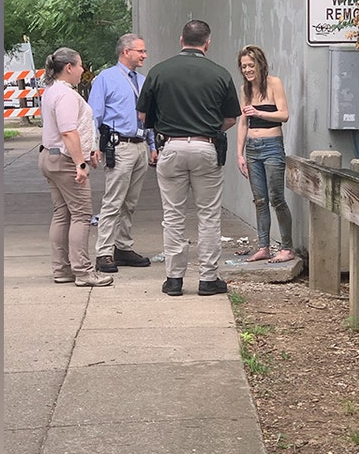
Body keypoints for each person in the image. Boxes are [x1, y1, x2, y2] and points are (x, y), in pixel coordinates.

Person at [136, 19, 241, 297]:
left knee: (173, 215)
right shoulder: (220, 74)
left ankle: (174, 279)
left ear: (181, 40)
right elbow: (231, 117)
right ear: (207, 43)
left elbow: (143, 116)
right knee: (208, 214)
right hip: (206, 147)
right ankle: (208, 279)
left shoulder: (159, 71)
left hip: (171, 147)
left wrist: (166, 128)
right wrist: (209, 130)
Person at [37, 47, 113, 287]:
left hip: (50, 157)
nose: (83, 71)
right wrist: (80, 162)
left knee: (62, 213)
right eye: (80, 65)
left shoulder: (51, 91)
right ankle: (83, 271)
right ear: (68, 67)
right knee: (81, 215)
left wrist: (88, 150)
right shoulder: (67, 95)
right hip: (65, 160)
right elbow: (68, 131)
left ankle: (62, 269)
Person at [87, 33, 158, 273]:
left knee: (130, 202)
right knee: (113, 200)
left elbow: (147, 117)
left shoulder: (142, 80)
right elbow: (94, 115)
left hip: (138, 144)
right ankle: (104, 251)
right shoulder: (106, 79)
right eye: (140, 51)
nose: (144, 55)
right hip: (119, 146)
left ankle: (123, 247)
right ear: (125, 52)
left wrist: (152, 146)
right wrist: (92, 145)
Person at [235, 44, 295, 264]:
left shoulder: (274, 84)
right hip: (252, 147)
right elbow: (243, 122)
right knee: (259, 199)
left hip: (272, 146)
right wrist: (239, 154)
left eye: (251, 65)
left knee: (277, 198)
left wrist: (259, 112)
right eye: (243, 67)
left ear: (260, 64)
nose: (248, 70)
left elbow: (284, 115)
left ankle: (287, 247)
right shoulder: (245, 90)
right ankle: (263, 246)